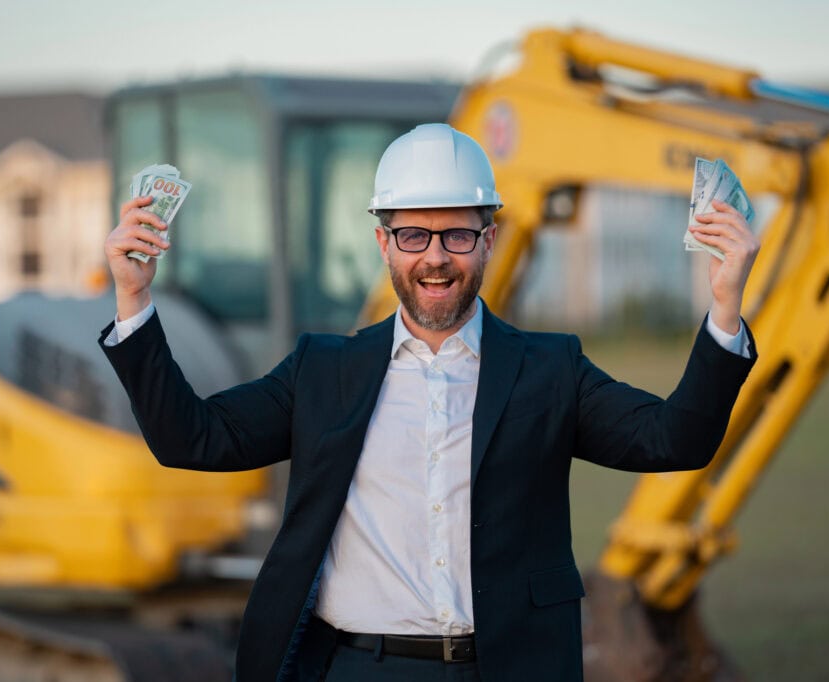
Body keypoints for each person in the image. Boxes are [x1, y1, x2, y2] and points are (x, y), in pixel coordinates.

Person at [100, 123, 758, 682]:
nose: (436, 258)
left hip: (507, 668)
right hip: (359, 669)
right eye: (414, 235)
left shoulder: (552, 370)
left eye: (457, 236)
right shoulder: (322, 371)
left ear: (490, 239)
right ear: (384, 242)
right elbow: (195, 439)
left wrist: (724, 305)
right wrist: (133, 299)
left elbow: (676, 440)